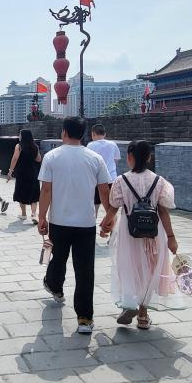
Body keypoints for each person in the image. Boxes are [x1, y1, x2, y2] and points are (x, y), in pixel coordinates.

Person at [38, 117, 110, 334]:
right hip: (86, 223)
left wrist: (42, 217)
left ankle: (54, 285)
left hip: (59, 221)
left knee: (58, 258)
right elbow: (104, 190)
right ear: (84, 134)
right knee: (85, 270)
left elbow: (46, 190)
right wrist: (109, 217)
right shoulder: (95, 158)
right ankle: (85, 318)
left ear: (64, 132)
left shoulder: (52, 156)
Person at [101, 140, 181, 330]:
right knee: (151, 269)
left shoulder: (121, 181)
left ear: (129, 157)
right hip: (154, 233)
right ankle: (143, 315)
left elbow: (113, 208)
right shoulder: (159, 181)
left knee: (130, 269)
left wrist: (105, 226)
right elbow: (163, 212)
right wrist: (171, 238)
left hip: (129, 234)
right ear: (149, 157)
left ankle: (129, 304)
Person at [7, 129, 42, 223]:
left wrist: (10, 171)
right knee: (34, 195)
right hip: (33, 173)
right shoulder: (35, 146)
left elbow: (15, 158)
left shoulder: (19, 146)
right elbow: (39, 159)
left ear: (23, 136)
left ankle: (23, 214)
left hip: (22, 173)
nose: (19, 136)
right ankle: (34, 214)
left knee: (21, 192)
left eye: (20, 134)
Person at [86, 124, 120, 217]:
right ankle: (112, 227)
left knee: (94, 205)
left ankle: (93, 225)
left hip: (96, 179)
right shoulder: (113, 144)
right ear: (104, 134)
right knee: (111, 206)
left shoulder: (90, 145)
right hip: (111, 178)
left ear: (93, 134)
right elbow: (116, 159)